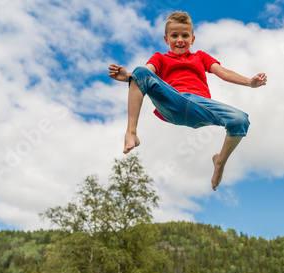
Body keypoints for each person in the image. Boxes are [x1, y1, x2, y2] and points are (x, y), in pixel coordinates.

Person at [109, 11, 267, 191]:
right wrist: (126, 77)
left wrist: (249, 82)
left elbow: (223, 72)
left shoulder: (200, 56)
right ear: (166, 38)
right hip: (172, 102)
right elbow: (145, 72)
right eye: (174, 36)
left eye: (185, 35)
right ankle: (131, 133)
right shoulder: (160, 58)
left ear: (192, 39)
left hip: (200, 106)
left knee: (241, 119)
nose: (180, 40)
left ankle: (220, 161)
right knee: (140, 71)